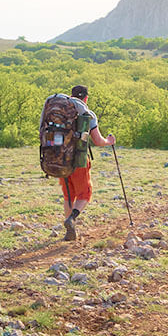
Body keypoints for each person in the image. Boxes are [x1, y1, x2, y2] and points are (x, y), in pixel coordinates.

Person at [60, 85, 115, 241]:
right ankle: (72, 219)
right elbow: (98, 141)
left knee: (68, 194)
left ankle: (70, 232)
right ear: (86, 98)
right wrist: (109, 141)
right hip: (79, 159)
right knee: (85, 193)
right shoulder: (87, 113)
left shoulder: (61, 112)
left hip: (60, 159)